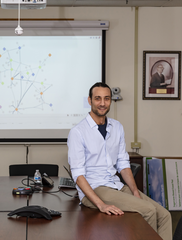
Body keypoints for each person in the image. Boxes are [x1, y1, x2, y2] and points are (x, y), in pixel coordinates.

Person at [67, 82, 172, 240]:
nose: (102, 103)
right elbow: (78, 174)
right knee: (149, 210)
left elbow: (123, 164)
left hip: (116, 185)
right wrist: (101, 204)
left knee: (164, 215)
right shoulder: (77, 132)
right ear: (89, 101)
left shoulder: (117, 127)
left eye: (106, 98)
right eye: (98, 98)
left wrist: (135, 192)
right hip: (95, 188)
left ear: (110, 100)